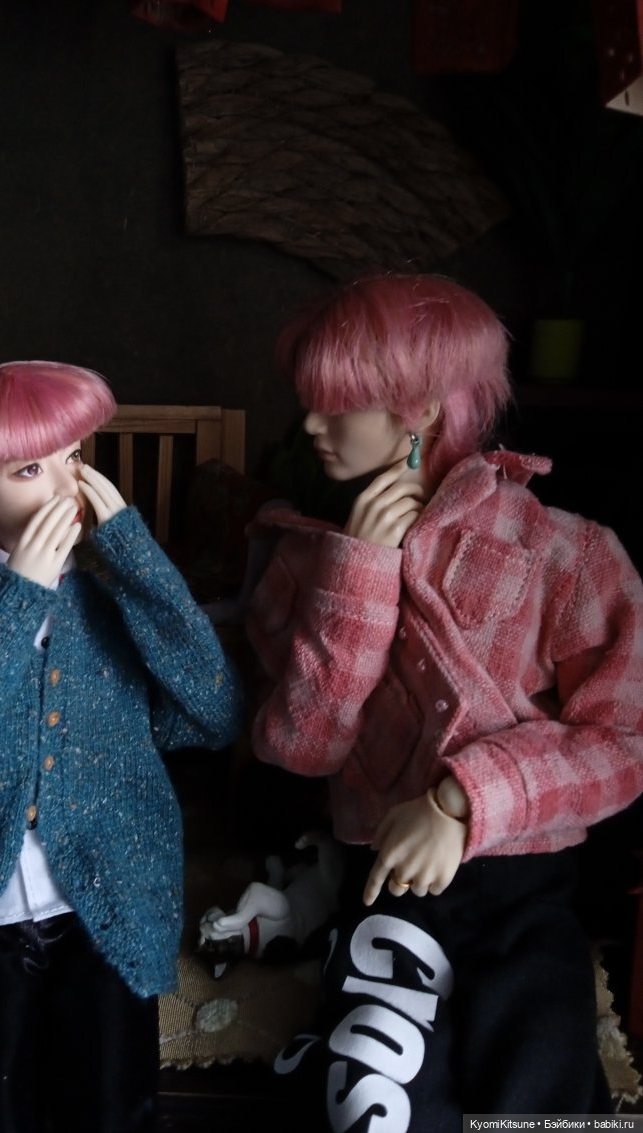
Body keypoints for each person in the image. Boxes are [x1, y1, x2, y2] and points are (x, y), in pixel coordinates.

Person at [245, 274, 643, 1128]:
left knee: (542, 1095)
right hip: (385, 885)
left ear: (420, 410)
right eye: (308, 401)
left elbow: (623, 743)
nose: (309, 424)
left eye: (337, 403)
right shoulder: (301, 560)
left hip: (526, 883)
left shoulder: (567, 554)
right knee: (375, 1101)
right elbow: (301, 746)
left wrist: (466, 799)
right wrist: (357, 577)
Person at [0, 360, 243, 1133]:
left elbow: (216, 710)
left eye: (73, 457)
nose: (66, 486)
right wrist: (13, 606)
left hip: (111, 905)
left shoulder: (118, 612)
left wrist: (137, 559)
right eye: (30, 468)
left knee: (112, 1104)